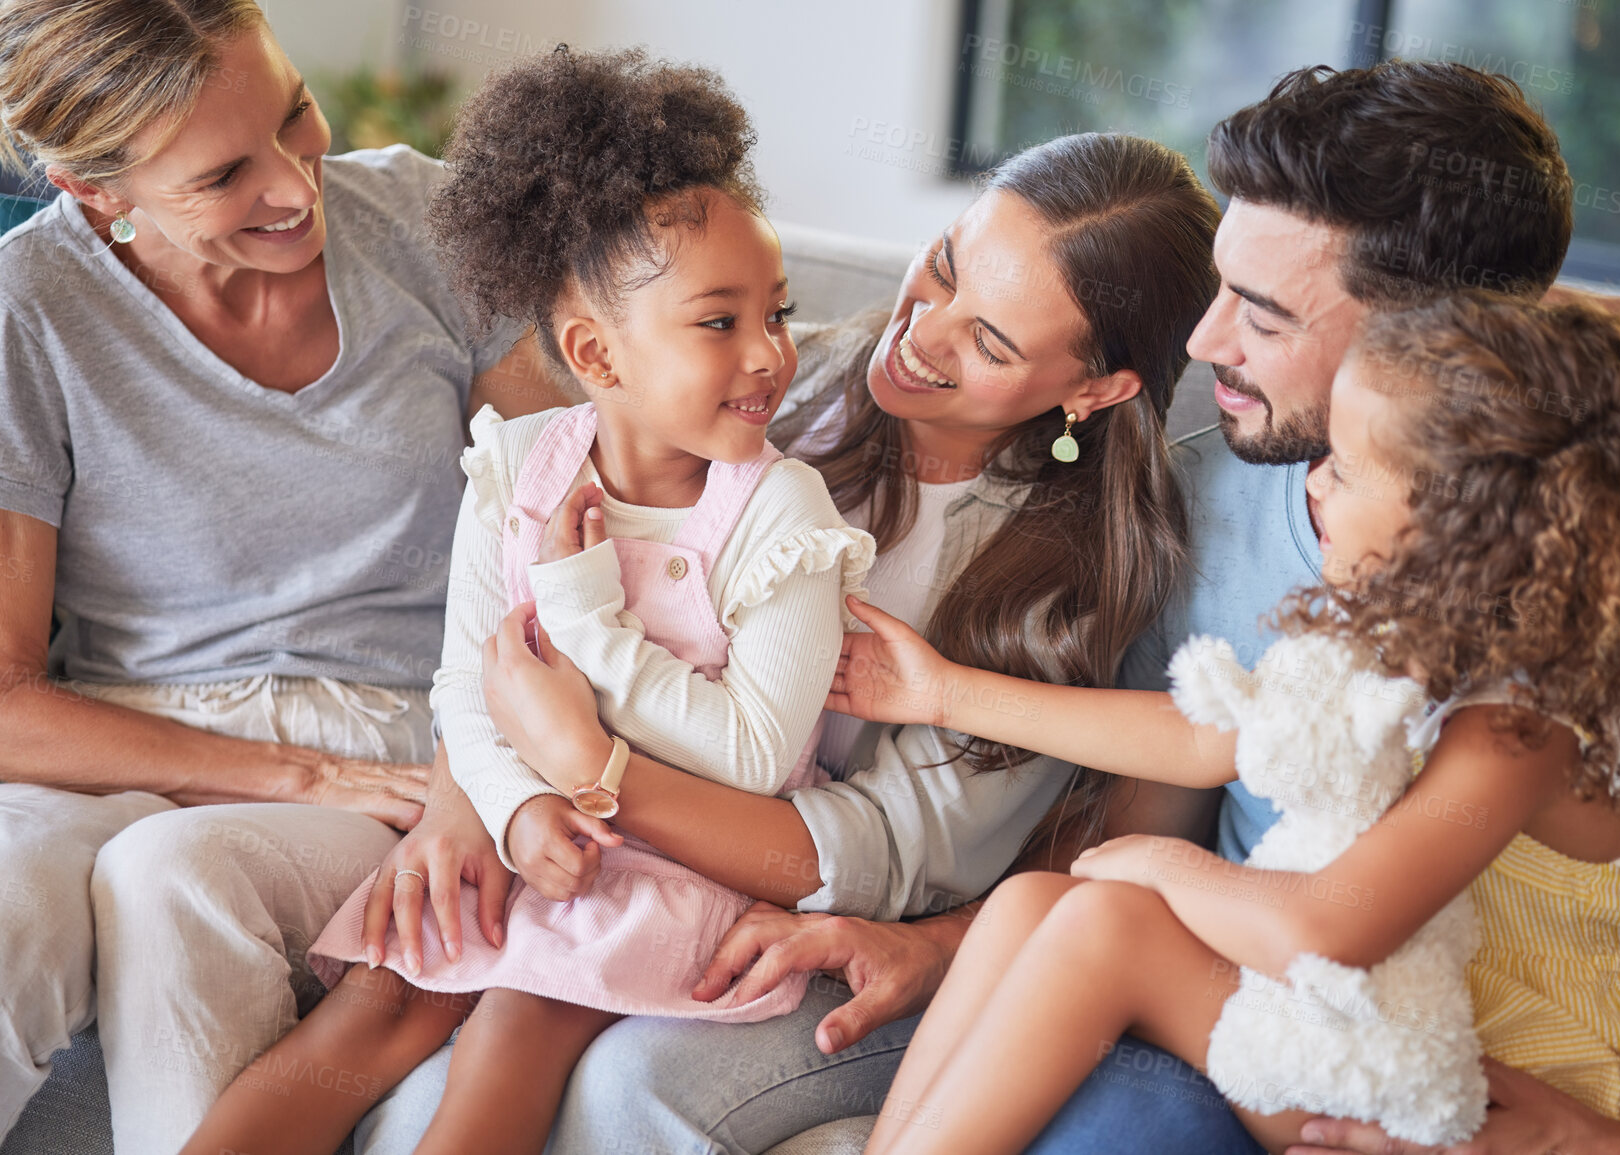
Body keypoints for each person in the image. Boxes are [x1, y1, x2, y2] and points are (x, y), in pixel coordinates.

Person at [393, 62, 1620, 1155]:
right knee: (1061, 934)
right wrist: (489, 771)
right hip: (1262, 982)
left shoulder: (1609, 570)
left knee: (1100, 1009)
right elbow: (1185, 754)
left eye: (1254, 313)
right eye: (1213, 294)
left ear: (1441, 351)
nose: (1200, 352)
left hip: (1443, 1036)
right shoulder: (1196, 483)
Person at [349, 133, 1233, 1153]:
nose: (922, 335)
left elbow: (880, 853)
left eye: (989, 343)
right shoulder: (779, 383)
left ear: (1097, 390)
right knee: (398, 996)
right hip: (598, 831)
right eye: (941, 268)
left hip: (846, 915)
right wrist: (480, 795)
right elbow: (519, 567)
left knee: (622, 1082)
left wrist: (588, 767)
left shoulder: (1057, 583)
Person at [182, 47, 881, 1155]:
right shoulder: (518, 463)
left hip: (682, 859)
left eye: (778, 312)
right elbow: (468, 678)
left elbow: (753, 755)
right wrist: (511, 807)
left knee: (517, 1017)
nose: (770, 356)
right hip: (534, 829)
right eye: (719, 322)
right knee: (380, 1001)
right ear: (597, 353)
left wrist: (586, 618)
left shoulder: (781, 512)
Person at [830, 293, 1620, 1154]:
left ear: (1453, 522)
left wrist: (1156, 861)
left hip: (1512, 1101)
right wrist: (940, 692)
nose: (1315, 486)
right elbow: (1196, 742)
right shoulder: (1381, 647)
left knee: (1109, 930)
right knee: (1032, 901)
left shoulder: (1522, 725)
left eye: (1340, 463)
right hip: (1379, 1037)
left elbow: (1326, 930)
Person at [0, 2, 567, 1150]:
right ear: (92, 190)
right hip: (129, 743)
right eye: (219, 177)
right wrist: (297, 779)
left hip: (409, 735)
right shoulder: (28, 310)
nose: (294, 189)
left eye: (296, 115)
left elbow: (551, 556)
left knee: (175, 881)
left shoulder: (424, 220)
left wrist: (476, 782)